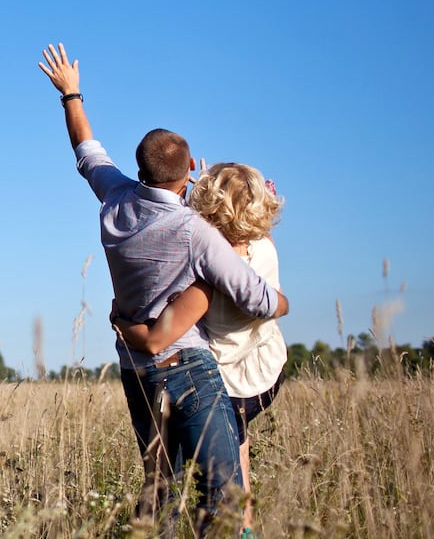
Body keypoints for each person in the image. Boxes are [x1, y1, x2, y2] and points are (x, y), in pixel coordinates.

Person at [37, 42, 289, 537]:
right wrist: (283, 300)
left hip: (137, 371)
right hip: (189, 370)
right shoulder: (198, 234)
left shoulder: (115, 199)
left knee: (161, 491)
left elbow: (87, 151)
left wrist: (71, 94)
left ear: (140, 167)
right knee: (224, 493)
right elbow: (256, 298)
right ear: (190, 167)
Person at [114, 162, 288, 535]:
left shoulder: (209, 273)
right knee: (238, 448)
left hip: (228, 382)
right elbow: (243, 229)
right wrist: (284, 304)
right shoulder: (265, 248)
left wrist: (124, 324)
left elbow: (158, 338)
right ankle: (242, 527)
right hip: (267, 372)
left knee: (188, 475)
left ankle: (238, 530)